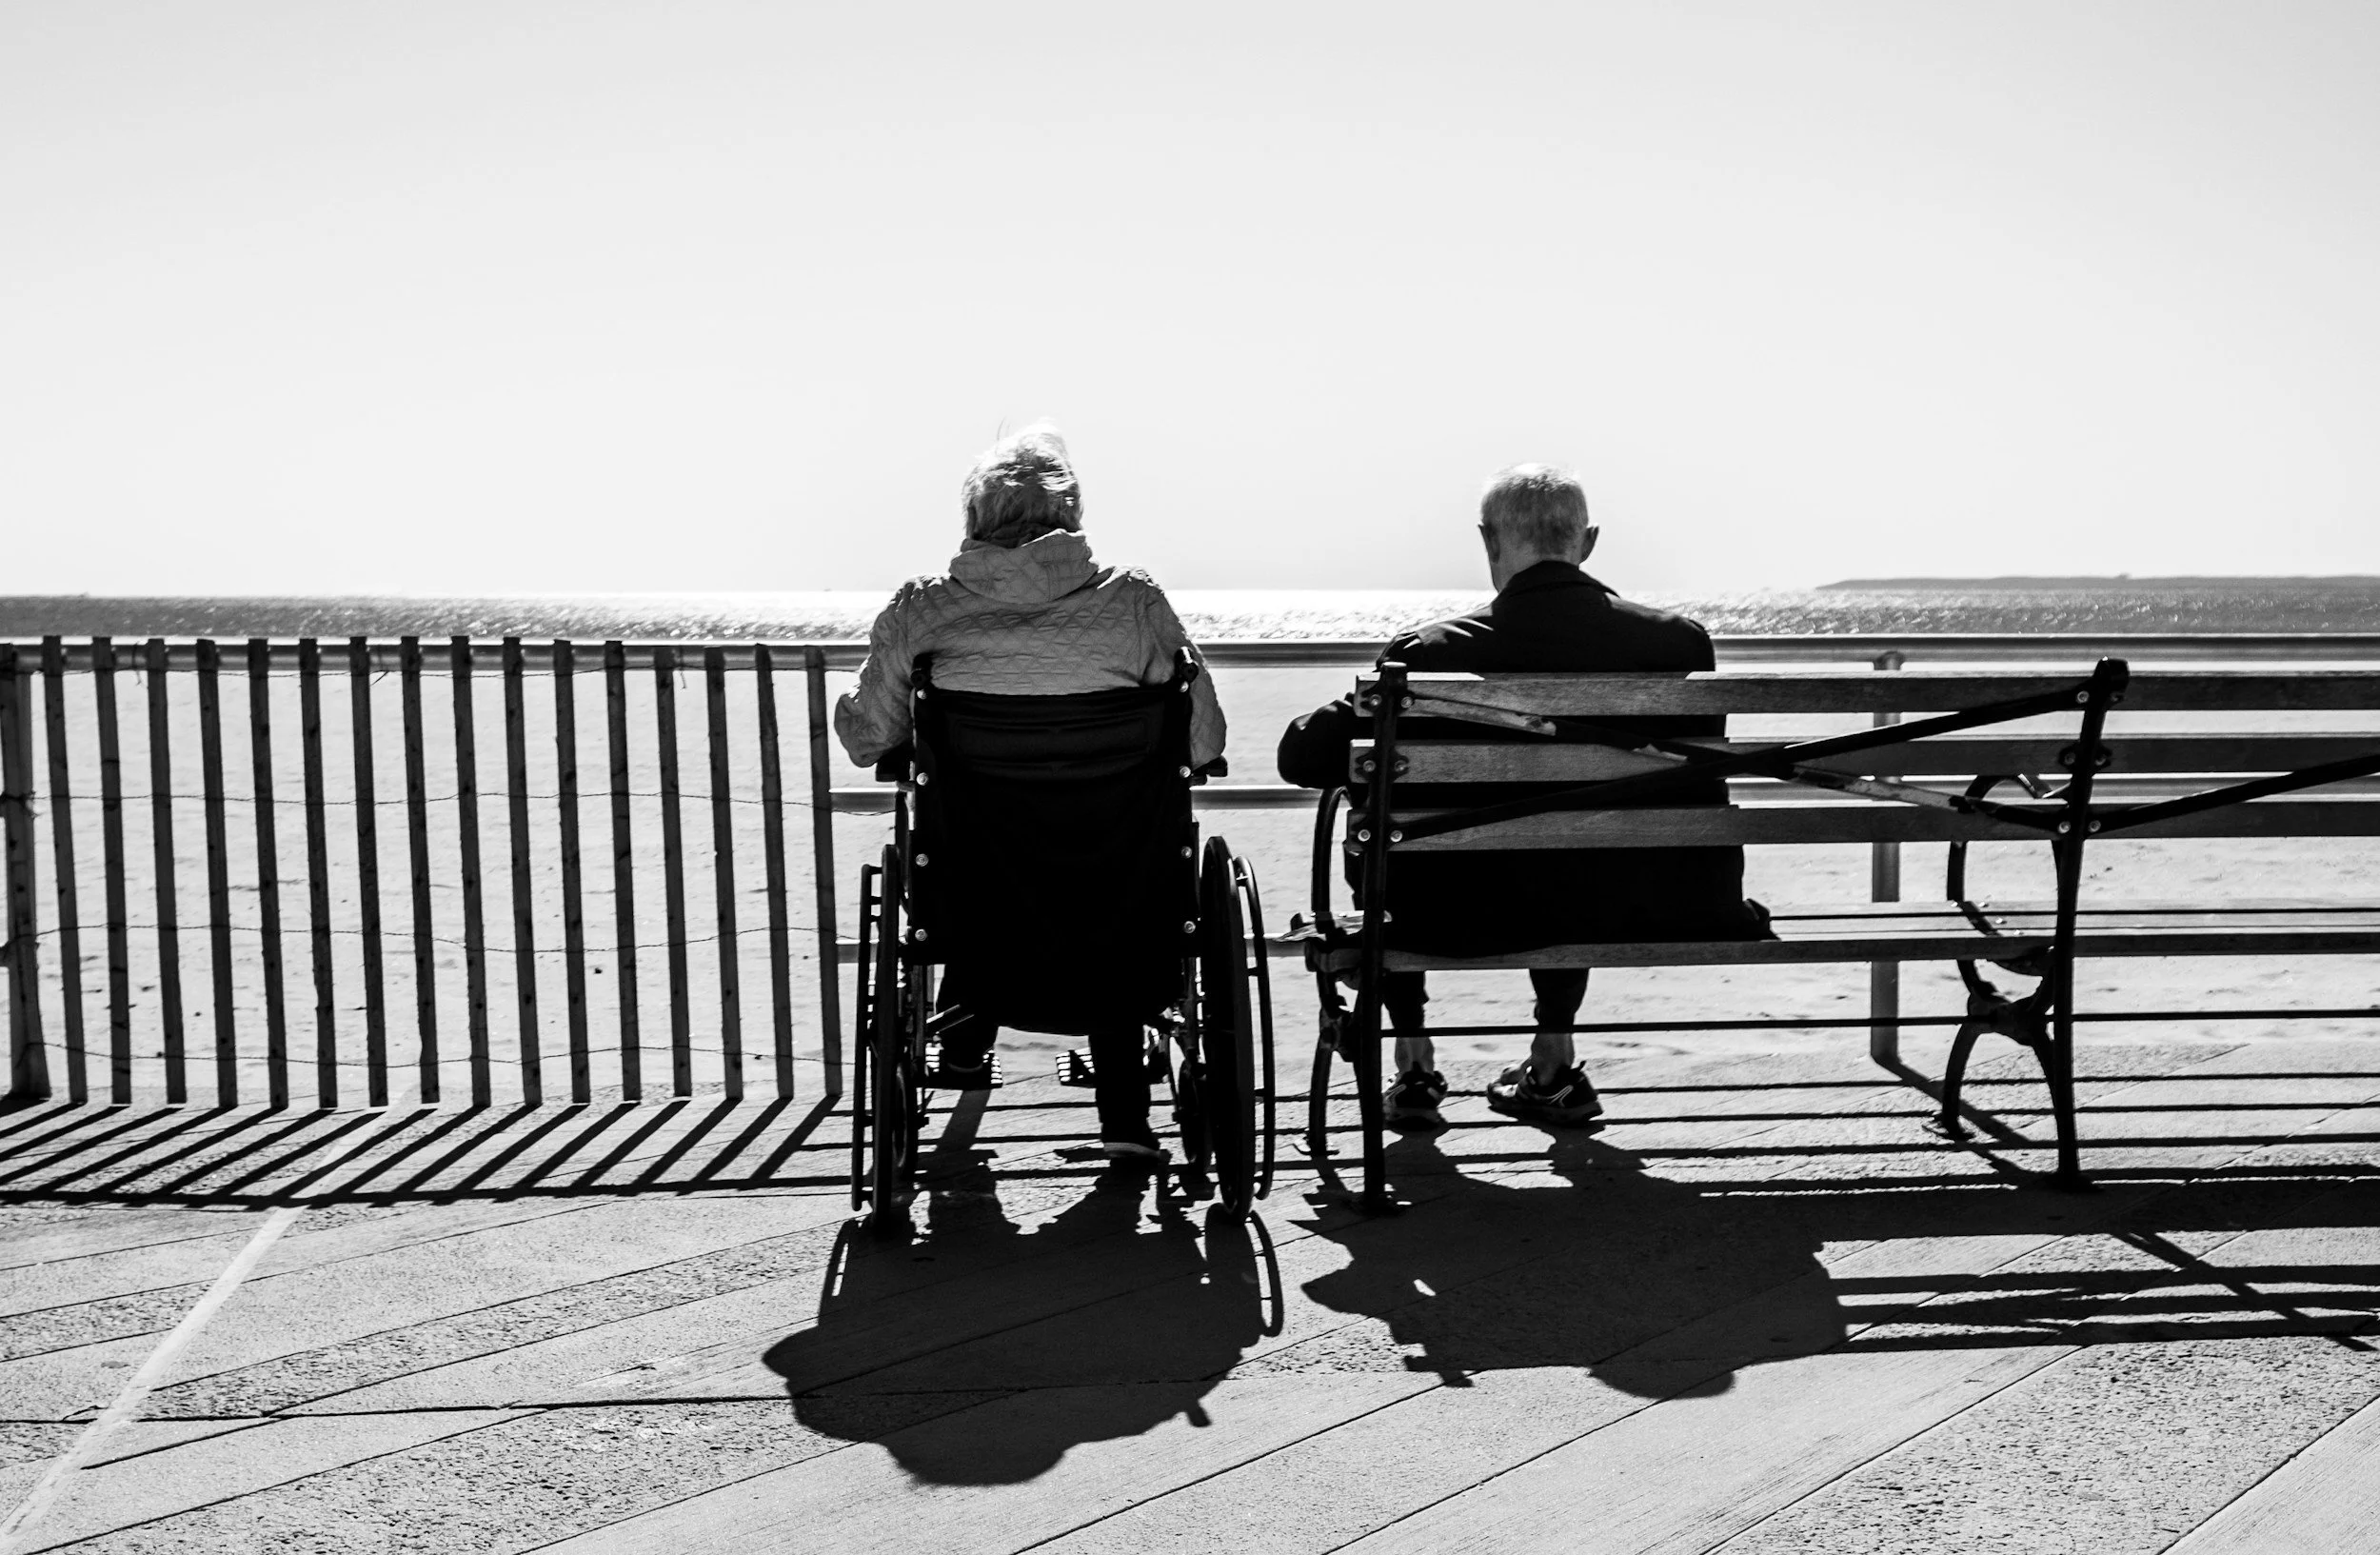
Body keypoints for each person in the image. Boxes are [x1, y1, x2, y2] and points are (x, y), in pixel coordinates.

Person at [1276, 464, 1766, 1129]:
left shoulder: (1429, 653)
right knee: (1580, 845)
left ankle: (1413, 1058)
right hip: (1648, 903)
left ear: (1488, 541)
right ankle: (1553, 1059)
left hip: (1453, 915)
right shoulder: (1679, 643)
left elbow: (1301, 756)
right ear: (1587, 542)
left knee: (1384, 824)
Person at [836, 423, 1227, 1159]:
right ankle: (1125, 1122)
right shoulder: (1133, 602)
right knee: (1103, 866)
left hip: (981, 895)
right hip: (1121, 895)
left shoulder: (923, 609)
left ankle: (958, 1049)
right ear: (1072, 518)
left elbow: (867, 739)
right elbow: (1203, 741)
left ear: (974, 522)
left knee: (986, 848)